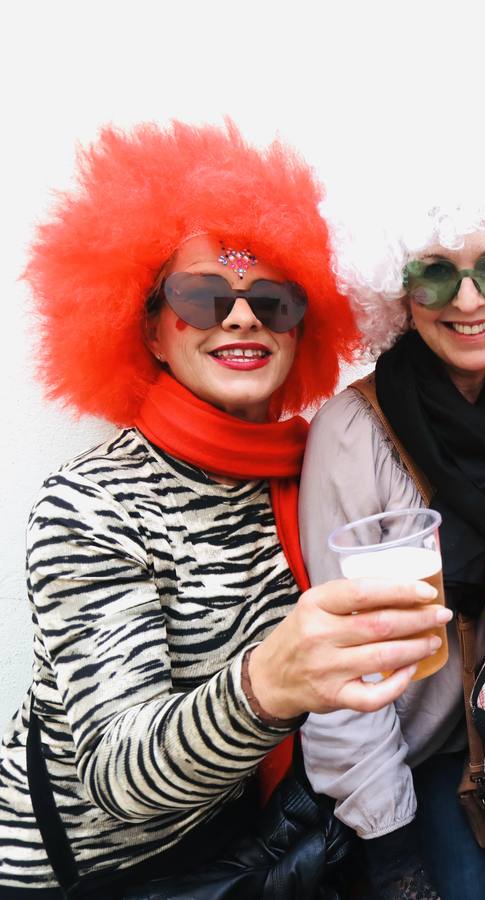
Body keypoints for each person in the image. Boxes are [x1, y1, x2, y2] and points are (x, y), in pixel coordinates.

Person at [0, 122, 450, 897]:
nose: (241, 319)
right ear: (147, 327)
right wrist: (266, 685)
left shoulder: (313, 469)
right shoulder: (93, 503)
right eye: (203, 296)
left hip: (248, 846)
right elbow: (117, 778)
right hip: (101, 873)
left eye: (271, 301)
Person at [297, 108, 485, 899]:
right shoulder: (355, 431)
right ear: (395, 286)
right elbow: (341, 666)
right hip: (429, 766)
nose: (468, 299)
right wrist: (391, 849)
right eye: (434, 272)